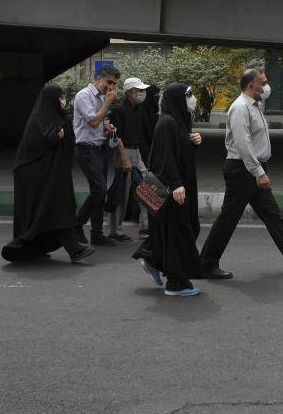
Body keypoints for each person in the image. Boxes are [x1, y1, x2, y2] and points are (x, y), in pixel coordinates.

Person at [200, 69, 283, 278]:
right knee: (229, 218)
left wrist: (259, 170)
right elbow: (243, 144)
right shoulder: (240, 108)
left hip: (253, 168)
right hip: (242, 170)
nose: (266, 87)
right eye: (263, 83)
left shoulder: (254, 106)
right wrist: (258, 172)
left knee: (272, 214)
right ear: (250, 85)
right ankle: (207, 264)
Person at [1, 85, 94, 264]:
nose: (62, 99)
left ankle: (33, 248)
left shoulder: (59, 117)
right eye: (60, 96)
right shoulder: (38, 120)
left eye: (63, 96)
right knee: (54, 209)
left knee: (48, 211)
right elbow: (34, 146)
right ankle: (75, 250)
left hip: (53, 176)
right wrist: (53, 136)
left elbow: (69, 140)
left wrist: (62, 136)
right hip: (35, 177)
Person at [133, 84, 205, 296]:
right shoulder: (166, 122)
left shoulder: (177, 121)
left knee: (186, 228)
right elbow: (165, 159)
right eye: (188, 95)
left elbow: (180, 153)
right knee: (179, 233)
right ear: (176, 98)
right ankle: (176, 283)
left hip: (181, 186)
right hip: (175, 189)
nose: (192, 98)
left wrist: (194, 143)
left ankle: (154, 259)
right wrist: (176, 185)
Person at [73, 63, 123, 246]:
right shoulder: (83, 96)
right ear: (98, 78)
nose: (111, 87)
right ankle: (76, 224)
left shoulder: (102, 97)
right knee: (99, 190)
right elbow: (93, 121)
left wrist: (107, 127)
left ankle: (96, 233)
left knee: (100, 193)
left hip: (99, 148)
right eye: (109, 82)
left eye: (114, 84)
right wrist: (108, 103)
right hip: (86, 150)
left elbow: (97, 121)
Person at [110, 77, 161, 239]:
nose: (142, 93)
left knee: (147, 187)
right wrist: (124, 159)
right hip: (123, 152)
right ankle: (115, 231)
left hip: (136, 152)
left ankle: (145, 227)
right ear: (130, 92)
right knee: (121, 193)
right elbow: (117, 137)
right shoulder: (119, 110)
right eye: (140, 90)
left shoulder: (139, 109)